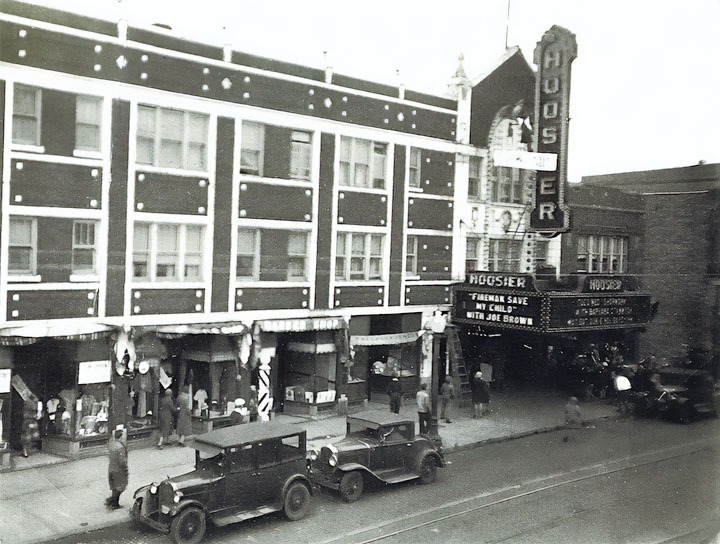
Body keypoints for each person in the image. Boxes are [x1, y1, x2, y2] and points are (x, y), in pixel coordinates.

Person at [106, 429, 128, 510]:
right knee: (120, 486)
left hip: (111, 468)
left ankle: (114, 502)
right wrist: (125, 469)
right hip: (118, 471)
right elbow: (122, 461)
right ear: (121, 437)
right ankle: (112, 502)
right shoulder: (120, 447)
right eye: (124, 436)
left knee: (114, 487)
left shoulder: (112, 445)